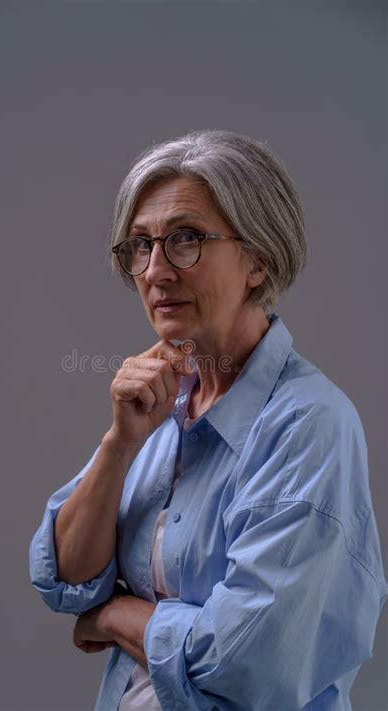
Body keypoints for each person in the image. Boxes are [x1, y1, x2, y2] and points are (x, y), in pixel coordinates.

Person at [29, 129, 387, 710]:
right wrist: (120, 444)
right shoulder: (159, 405)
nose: (155, 271)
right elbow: (68, 579)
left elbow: (248, 660)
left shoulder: (309, 426)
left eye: (186, 239)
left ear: (258, 259)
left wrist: (117, 614)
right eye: (140, 245)